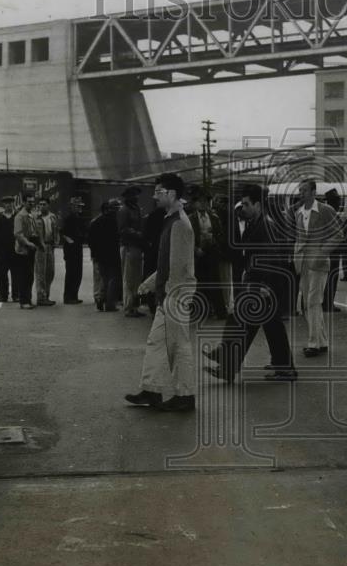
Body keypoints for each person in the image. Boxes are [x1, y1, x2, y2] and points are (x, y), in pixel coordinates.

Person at [202, 184, 298, 383]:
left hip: (266, 284)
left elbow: (270, 258)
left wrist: (263, 286)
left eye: (246, 204)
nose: (242, 208)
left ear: (258, 205)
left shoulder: (266, 226)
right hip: (262, 284)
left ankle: (228, 360)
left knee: (245, 320)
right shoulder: (256, 223)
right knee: (261, 325)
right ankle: (278, 365)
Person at [125, 173, 198, 412]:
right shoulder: (172, 219)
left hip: (174, 295)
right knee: (157, 342)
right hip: (170, 293)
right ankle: (151, 390)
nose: (155, 196)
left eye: (158, 192)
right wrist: (149, 283)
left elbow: (177, 268)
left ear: (172, 194)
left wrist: (166, 296)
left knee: (178, 346)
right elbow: (168, 263)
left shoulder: (179, 223)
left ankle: (185, 395)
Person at [292, 178, 341, 357]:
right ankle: (322, 341)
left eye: (304, 190)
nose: (301, 193)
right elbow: (299, 238)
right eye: (300, 190)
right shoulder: (298, 213)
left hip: (319, 263)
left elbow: (338, 235)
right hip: (302, 262)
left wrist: (322, 252)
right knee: (308, 302)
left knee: (313, 301)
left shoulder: (326, 210)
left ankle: (313, 343)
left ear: (314, 192)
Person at [187, 187, 228, 320]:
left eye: (205, 201)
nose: (203, 203)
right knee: (197, 284)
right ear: (195, 203)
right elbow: (187, 238)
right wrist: (195, 249)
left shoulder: (214, 218)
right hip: (197, 256)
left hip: (211, 254)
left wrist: (214, 242)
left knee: (215, 282)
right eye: (200, 201)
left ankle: (219, 311)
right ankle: (198, 312)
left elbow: (221, 236)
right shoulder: (190, 219)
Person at [117, 185, 146, 317]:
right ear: (128, 197)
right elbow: (122, 230)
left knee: (136, 278)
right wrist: (137, 234)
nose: (136, 197)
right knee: (128, 278)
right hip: (129, 246)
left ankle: (134, 306)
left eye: (137, 194)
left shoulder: (137, 209)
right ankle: (129, 307)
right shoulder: (124, 210)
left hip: (137, 247)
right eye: (134, 194)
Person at [88, 199, 120, 311]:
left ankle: (100, 299)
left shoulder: (96, 222)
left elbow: (90, 240)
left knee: (103, 278)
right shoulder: (115, 222)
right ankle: (110, 304)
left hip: (99, 255)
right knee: (112, 279)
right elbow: (117, 239)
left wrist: (95, 253)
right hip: (112, 254)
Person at [13, 194, 40, 309]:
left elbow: (35, 230)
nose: (31, 204)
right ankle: (24, 301)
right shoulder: (20, 216)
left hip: (31, 248)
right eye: (29, 202)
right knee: (24, 276)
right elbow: (18, 234)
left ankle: (28, 299)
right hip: (23, 249)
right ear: (23, 203)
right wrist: (28, 243)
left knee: (29, 275)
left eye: (33, 202)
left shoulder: (31, 215)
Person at [321, 187, 345, 312]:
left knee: (327, 278)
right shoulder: (331, 213)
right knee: (331, 277)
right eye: (338, 200)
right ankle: (328, 303)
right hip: (332, 251)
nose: (340, 203)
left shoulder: (325, 212)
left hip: (327, 250)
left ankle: (326, 302)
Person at [60, 197, 87, 304]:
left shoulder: (79, 218)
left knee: (78, 273)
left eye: (80, 206)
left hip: (77, 248)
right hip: (71, 250)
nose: (80, 208)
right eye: (77, 206)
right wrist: (68, 239)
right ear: (72, 207)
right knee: (71, 273)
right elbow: (62, 232)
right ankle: (68, 297)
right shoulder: (69, 218)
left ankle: (74, 296)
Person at [0, 196, 18, 303]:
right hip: (2, 251)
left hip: (15, 250)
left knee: (16, 273)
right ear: (4, 205)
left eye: (10, 203)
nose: (9, 205)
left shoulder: (16, 216)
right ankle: (3, 295)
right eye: (6, 203)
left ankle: (16, 295)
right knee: (1, 273)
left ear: (13, 204)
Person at [34, 198, 59, 306]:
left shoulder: (53, 216)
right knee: (40, 273)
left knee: (50, 271)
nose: (42, 206)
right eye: (40, 204)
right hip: (40, 247)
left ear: (48, 205)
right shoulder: (35, 217)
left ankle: (46, 295)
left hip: (50, 246)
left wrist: (56, 241)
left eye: (44, 204)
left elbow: (56, 230)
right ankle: (41, 297)